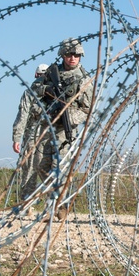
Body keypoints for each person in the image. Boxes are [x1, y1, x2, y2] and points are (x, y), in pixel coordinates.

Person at [34, 38, 95, 192]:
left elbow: (87, 109)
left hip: (66, 129)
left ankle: (56, 206)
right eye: (69, 54)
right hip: (47, 126)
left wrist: (68, 117)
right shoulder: (52, 72)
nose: (72, 58)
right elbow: (35, 88)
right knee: (40, 165)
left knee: (58, 169)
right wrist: (47, 90)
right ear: (62, 55)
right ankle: (54, 198)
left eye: (76, 55)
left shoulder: (83, 78)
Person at [12, 63, 49, 200]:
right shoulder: (30, 92)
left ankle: (51, 203)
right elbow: (22, 115)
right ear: (35, 75)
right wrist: (17, 137)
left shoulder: (52, 92)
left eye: (44, 75)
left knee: (46, 168)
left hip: (48, 135)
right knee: (28, 168)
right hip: (31, 135)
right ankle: (26, 201)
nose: (42, 78)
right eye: (40, 75)